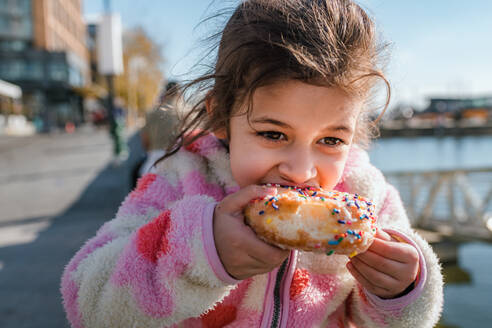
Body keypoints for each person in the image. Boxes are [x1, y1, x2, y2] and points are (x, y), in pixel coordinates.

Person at [61, 1, 443, 327]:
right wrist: (200, 251)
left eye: (330, 140)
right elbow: (85, 301)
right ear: (221, 117)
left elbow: (386, 320)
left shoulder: (368, 195)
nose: (301, 170)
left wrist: (404, 290)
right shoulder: (180, 182)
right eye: (273, 135)